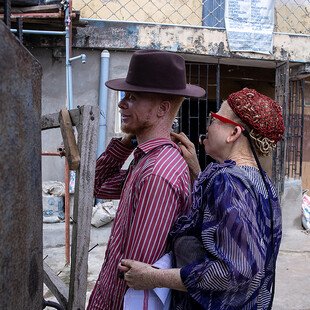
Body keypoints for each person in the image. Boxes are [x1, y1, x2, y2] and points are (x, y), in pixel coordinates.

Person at [119, 88, 285, 309]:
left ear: (234, 133)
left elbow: (232, 272)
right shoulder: (260, 182)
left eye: (214, 119)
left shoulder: (228, 182)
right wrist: (198, 174)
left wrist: (152, 277)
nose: (208, 125)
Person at [87, 50, 205, 309]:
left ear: (163, 108)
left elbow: (132, 274)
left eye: (133, 98)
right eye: (125, 96)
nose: (121, 103)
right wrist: (125, 142)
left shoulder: (158, 172)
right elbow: (95, 184)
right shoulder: (145, 160)